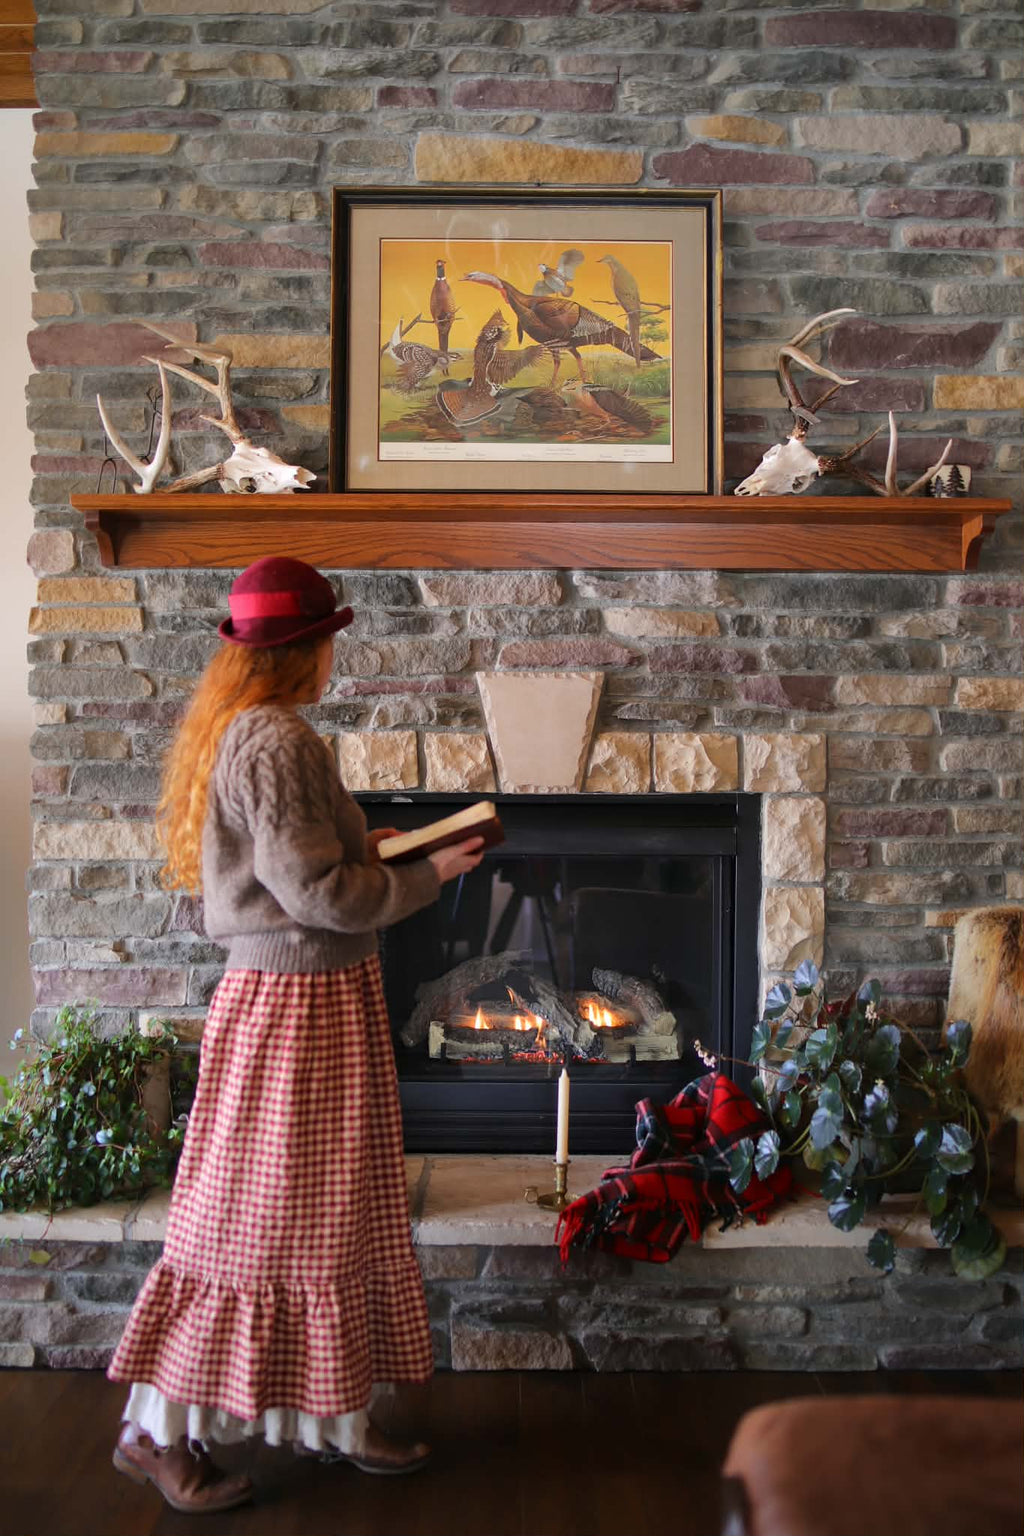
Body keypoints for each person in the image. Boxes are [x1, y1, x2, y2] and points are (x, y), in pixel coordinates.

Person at [106, 557, 484, 1515]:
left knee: (327, 1217)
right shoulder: (273, 741)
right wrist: (429, 873)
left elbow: (296, 874)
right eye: (325, 642)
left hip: (313, 1003)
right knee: (253, 1224)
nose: (330, 658)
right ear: (307, 649)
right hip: (293, 1014)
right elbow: (314, 894)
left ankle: (333, 1419)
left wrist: (386, 856)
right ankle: (155, 1434)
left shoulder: (253, 734)